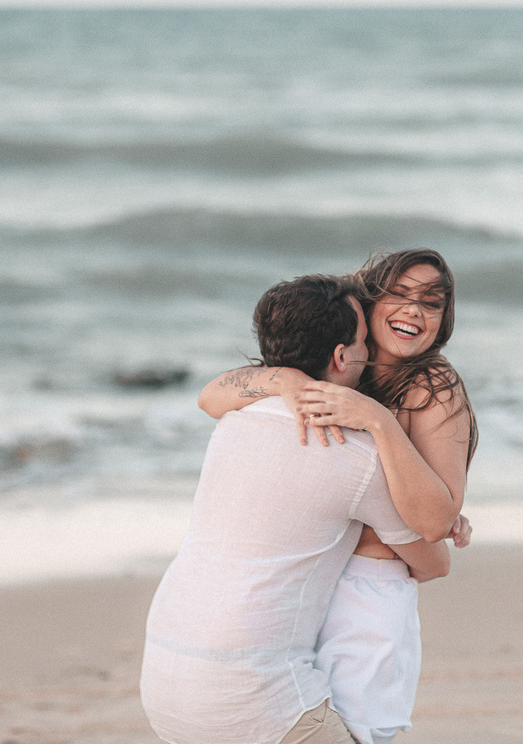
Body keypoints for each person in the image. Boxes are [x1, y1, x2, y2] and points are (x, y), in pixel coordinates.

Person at [140, 274, 451, 744]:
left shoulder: (234, 420)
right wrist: (384, 427)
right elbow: (434, 560)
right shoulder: (356, 455)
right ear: (342, 356)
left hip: (162, 680)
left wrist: (281, 378)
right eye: (365, 341)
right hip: (253, 699)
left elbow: (210, 395)